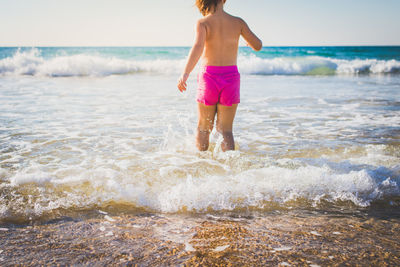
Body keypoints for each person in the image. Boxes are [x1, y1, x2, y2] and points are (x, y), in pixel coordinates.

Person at [177, 0, 262, 152]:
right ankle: (229, 166)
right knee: (226, 130)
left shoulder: (203, 23)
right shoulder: (238, 22)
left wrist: (185, 73)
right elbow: (258, 45)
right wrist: (250, 43)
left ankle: (201, 162)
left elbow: (198, 47)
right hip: (231, 79)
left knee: (204, 127)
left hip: (209, 77)